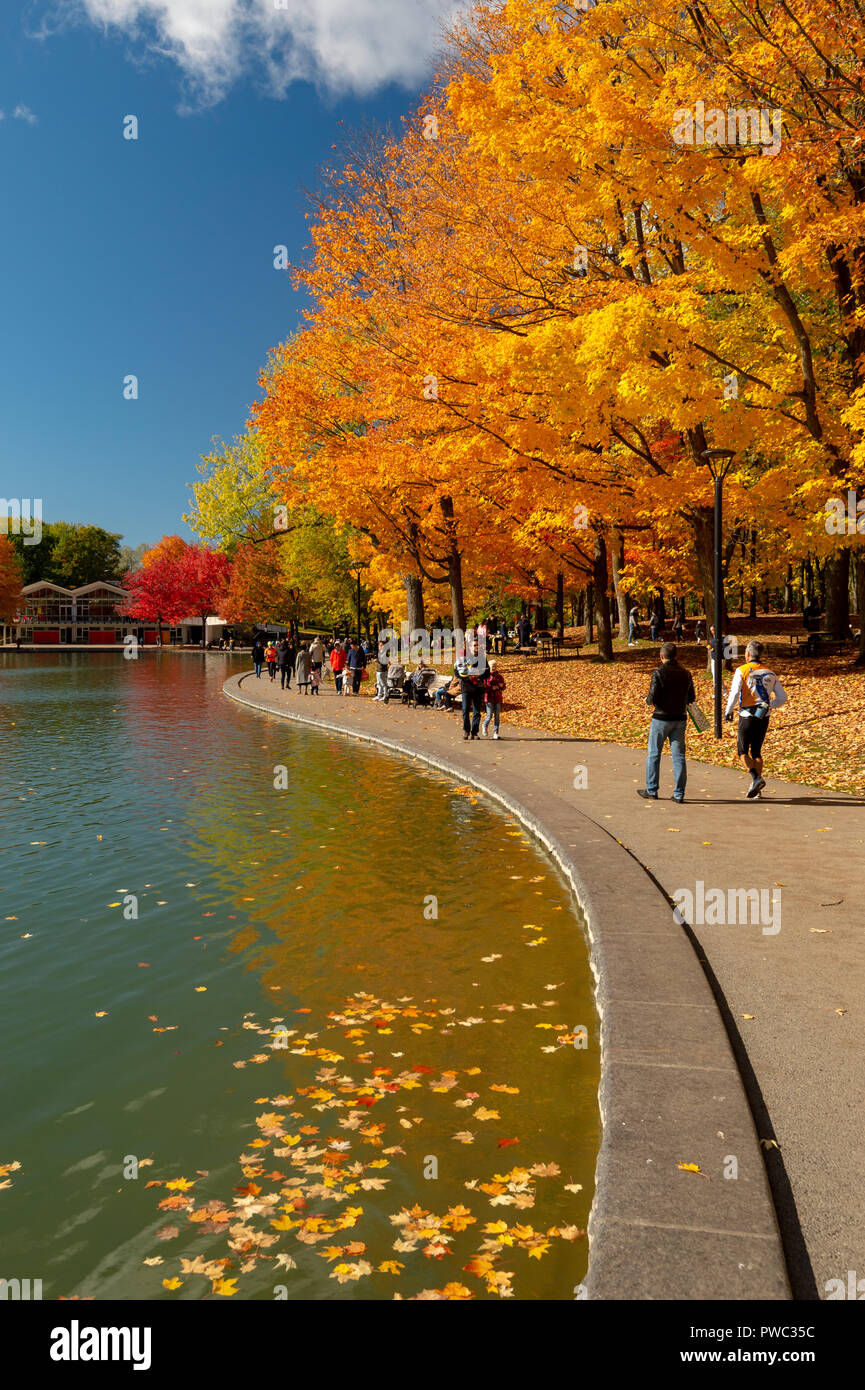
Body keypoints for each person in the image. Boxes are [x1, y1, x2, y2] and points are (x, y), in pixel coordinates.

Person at [724, 640, 788, 799]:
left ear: (747, 654)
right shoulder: (770, 673)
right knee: (757, 751)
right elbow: (783, 697)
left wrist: (728, 711)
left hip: (746, 715)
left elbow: (734, 693)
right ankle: (757, 790)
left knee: (742, 751)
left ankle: (755, 777)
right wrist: (769, 705)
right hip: (763, 716)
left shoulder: (742, 670)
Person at [638, 641, 696, 803]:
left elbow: (653, 698)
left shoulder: (658, 673)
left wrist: (647, 700)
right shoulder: (686, 674)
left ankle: (652, 789)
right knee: (679, 756)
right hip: (680, 718)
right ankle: (679, 793)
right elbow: (691, 698)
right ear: (677, 655)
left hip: (661, 718)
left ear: (661, 656)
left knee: (654, 754)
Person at [455, 639, 490, 740]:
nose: (477, 647)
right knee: (465, 709)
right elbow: (457, 672)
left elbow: (487, 673)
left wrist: (479, 677)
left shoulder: (482, 658)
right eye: (474, 645)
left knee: (477, 711)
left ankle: (474, 732)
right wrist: (467, 677)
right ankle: (466, 730)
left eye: (478, 645)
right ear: (469, 647)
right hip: (466, 687)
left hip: (478, 688)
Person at [481, 660, 506, 739]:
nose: (494, 667)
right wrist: (491, 687)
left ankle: (496, 733)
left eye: (495, 666)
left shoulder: (499, 676)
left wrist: (500, 686)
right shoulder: (486, 676)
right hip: (488, 697)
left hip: (497, 697)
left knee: (497, 716)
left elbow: (503, 686)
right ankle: (485, 725)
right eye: (492, 666)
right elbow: (483, 686)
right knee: (489, 715)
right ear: (489, 667)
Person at [373, 636, 389, 701]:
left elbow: (385, 661)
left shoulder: (385, 653)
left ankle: (385, 695)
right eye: (379, 645)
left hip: (382, 670)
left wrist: (378, 660)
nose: (379, 647)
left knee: (384, 684)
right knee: (379, 683)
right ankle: (379, 695)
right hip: (379, 670)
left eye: (380, 645)